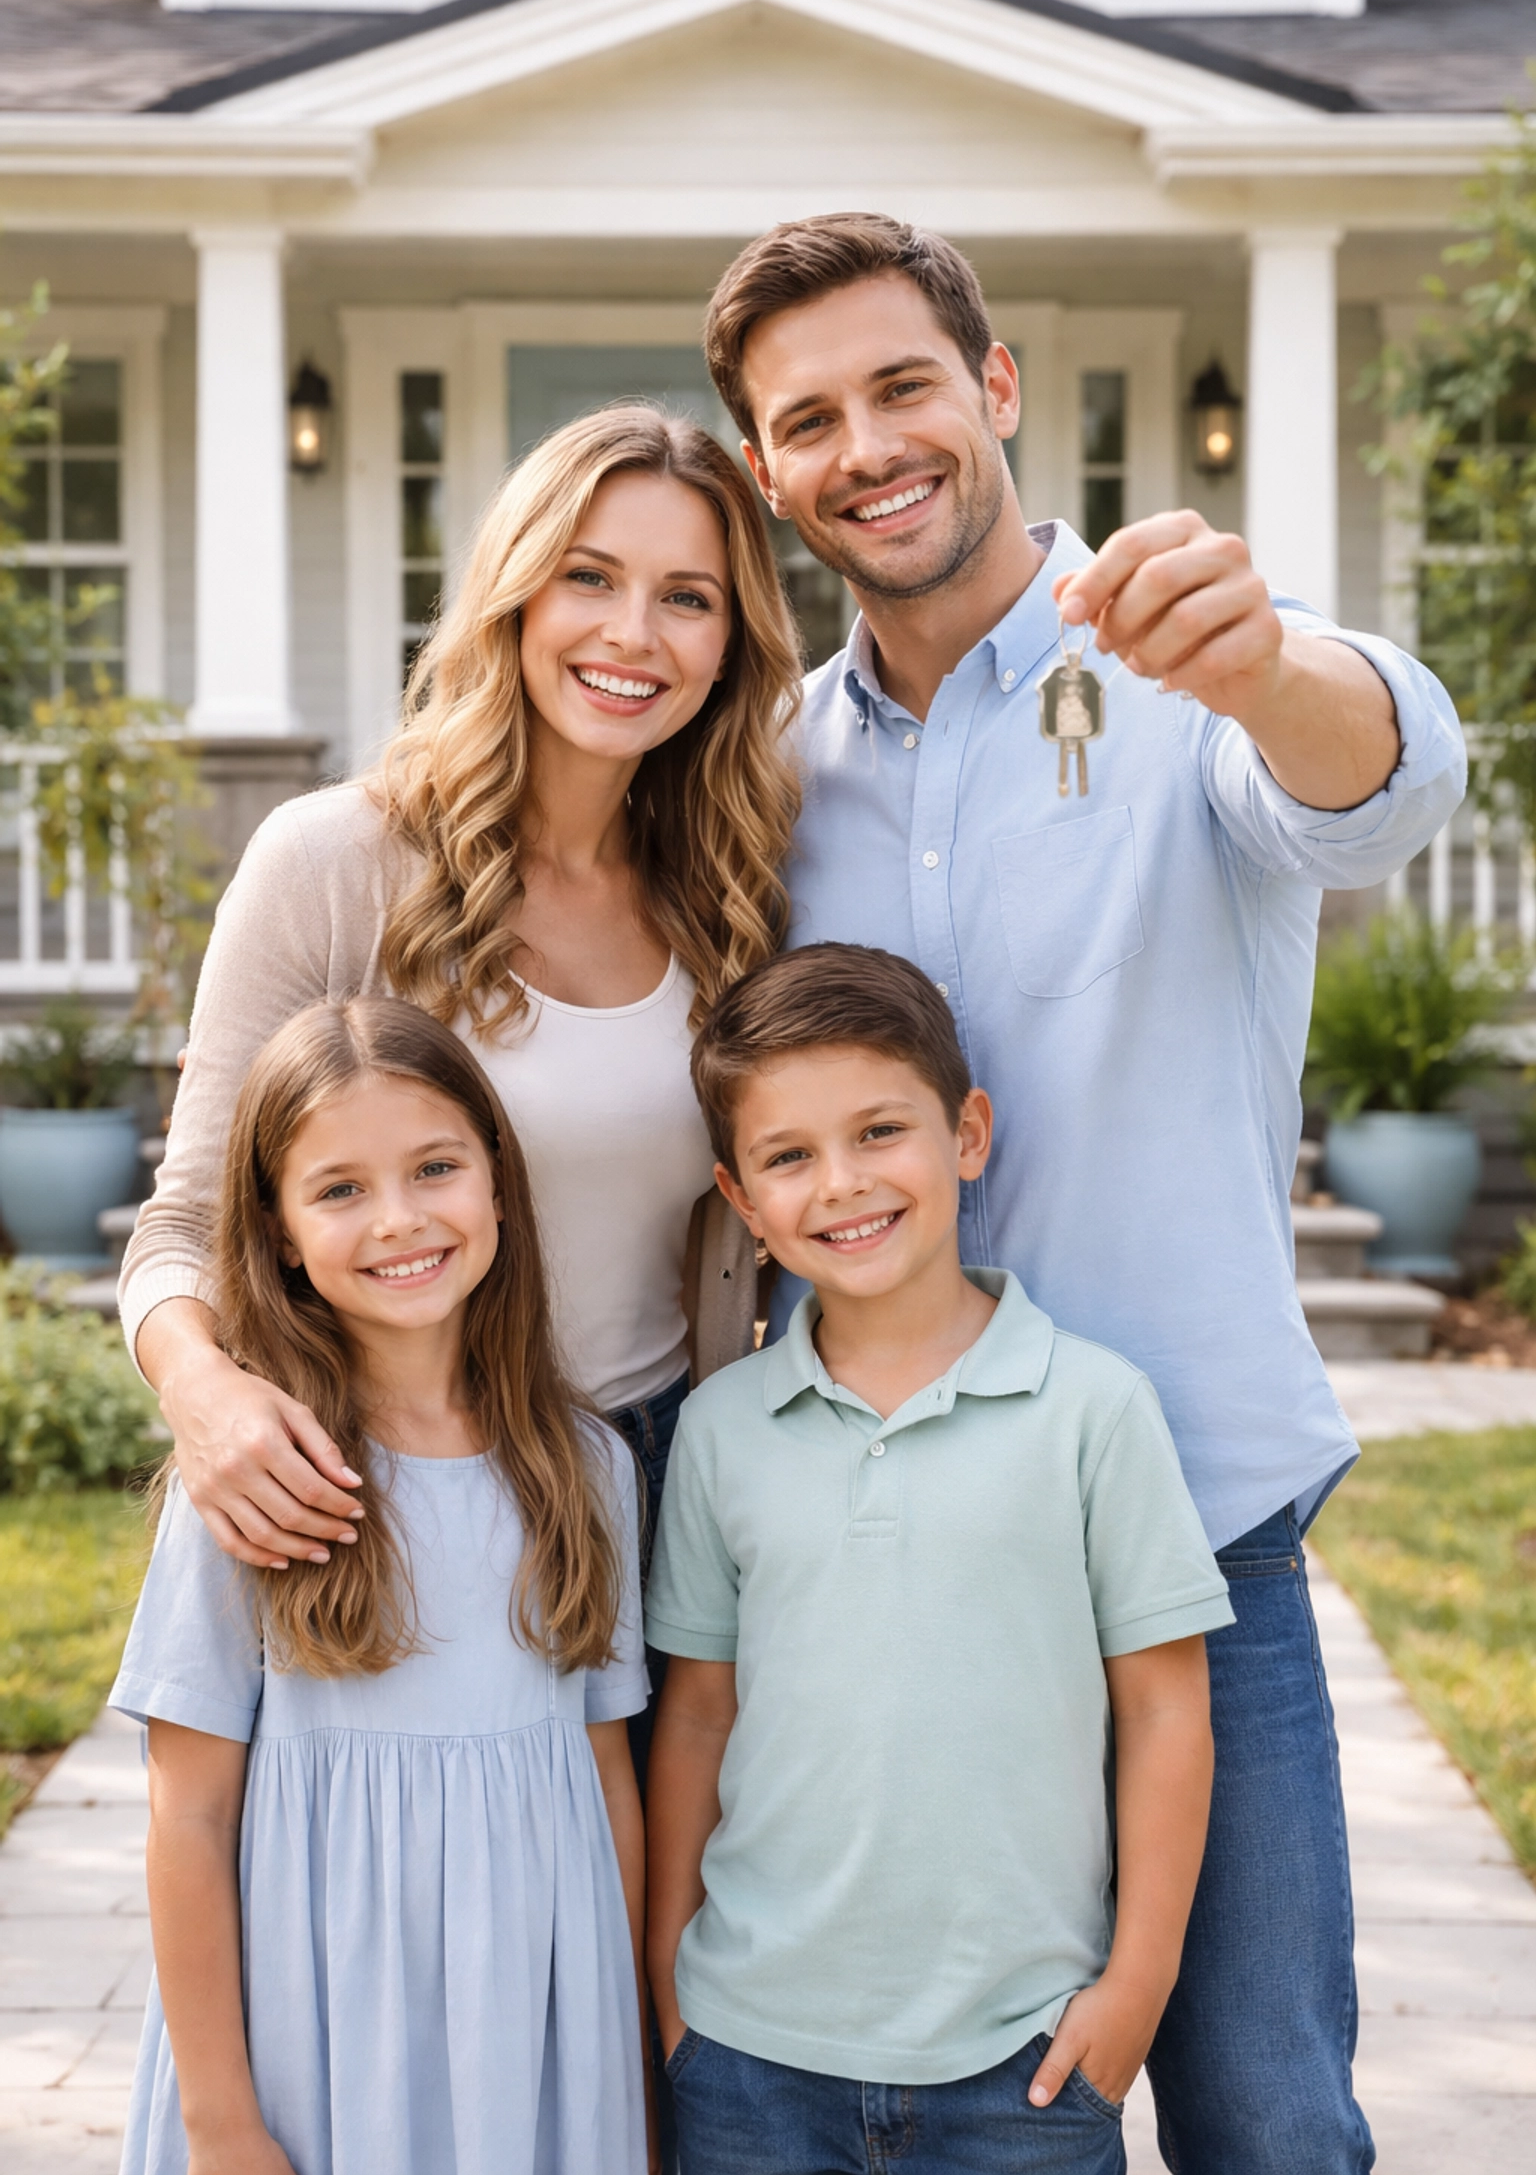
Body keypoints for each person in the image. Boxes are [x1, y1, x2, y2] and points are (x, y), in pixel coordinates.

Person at [701, 213, 1468, 2174]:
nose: (866, 443)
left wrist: (1274, 655)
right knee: (917, 2112)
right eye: (810, 421)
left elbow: (1377, 784)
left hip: (1197, 1548)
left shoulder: (1186, 670)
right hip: (877, 1578)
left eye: (902, 386)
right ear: (771, 473)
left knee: (1270, 2123)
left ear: (997, 388)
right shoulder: (770, 779)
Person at [119, 405, 798, 1689]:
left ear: (732, 644)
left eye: (687, 597)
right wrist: (202, 1393)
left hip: (652, 1480)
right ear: (514, 597)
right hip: (384, 1484)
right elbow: (182, 1223)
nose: (631, 634)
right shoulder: (331, 862)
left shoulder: (730, 894)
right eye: (587, 577)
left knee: (624, 1889)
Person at [644, 944, 1234, 2174]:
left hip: (1020, 2066)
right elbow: (697, 1719)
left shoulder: (1093, 1409)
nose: (842, 1184)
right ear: (740, 1199)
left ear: (967, 1133)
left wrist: (1137, 1985)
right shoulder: (721, 1429)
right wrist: (668, 1988)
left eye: (879, 1132)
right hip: (750, 2056)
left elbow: (1168, 1708)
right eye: (789, 1156)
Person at [112, 997, 650, 2175]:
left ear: (499, 1182)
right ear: (281, 1232)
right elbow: (187, 1817)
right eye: (341, 1188)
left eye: (436, 1167)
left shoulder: (586, 1469)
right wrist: (219, 2123)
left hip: (531, 2051)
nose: (399, 1218)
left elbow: (608, 1781)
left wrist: (631, 2086)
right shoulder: (255, 1481)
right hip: (309, 2054)